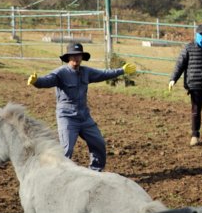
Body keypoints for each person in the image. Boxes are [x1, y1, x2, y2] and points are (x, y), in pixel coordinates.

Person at [26, 42, 136, 171]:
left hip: (84, 117)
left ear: (82, 57)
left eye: (78, 55)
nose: (76, 58)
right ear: (68, 58)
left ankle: (96, 171)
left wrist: (121, 70)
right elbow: (47, 80)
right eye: (73, 56)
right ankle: (57, 174)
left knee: (98, 143)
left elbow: (104, 74)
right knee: (66, 149)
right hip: (67, 117)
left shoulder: (86, 72)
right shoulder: (61, 73)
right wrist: (36, 82)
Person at [168, 24, 202, 146]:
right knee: (196, 111)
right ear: (196, 35)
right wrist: (173, 79)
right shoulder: (188, 48)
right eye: (200, 35)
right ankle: (195, 135)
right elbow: (180, 65)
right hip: (195, 85)